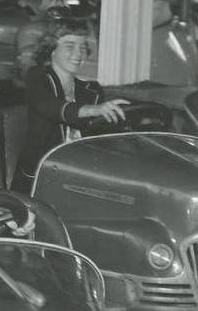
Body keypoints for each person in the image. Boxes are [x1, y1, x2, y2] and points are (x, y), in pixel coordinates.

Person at [12, 15, 129, 193]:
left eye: (82, 48)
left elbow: (102, 137)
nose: (78, 54)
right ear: (51, 50)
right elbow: (46, 105)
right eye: (69, 46)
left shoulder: (92, 91)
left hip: (81, 175)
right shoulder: (38, 78)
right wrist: (91, 110)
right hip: (41, 176)